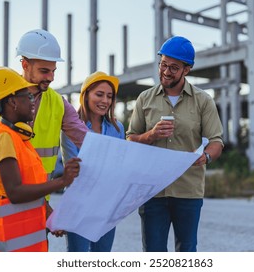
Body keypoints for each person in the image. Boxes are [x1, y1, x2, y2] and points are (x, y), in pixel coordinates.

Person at [0, 29, 88, 221]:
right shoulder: (0, 100)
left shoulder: (58, 103)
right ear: (25, 65)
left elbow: (87, 140)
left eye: (53, 71)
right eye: (44, 71)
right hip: (1, 202)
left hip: (39, 200)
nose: (51, 78)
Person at [126, 36, 224, 252]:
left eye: (173, 67)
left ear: (186, 70)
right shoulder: (144, 99)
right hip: (152, 190)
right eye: (163, 64)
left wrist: (206, 156)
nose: (166, 71)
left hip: (188, 191)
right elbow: (130, 139)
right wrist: (150, 135)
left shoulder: (203, 101)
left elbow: (216, 141)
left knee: (186, 252)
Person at [0, 66, 81, 251]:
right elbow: (16, 193)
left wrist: (47, 215)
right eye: (28, 96)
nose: (33, 101)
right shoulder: (5, 139)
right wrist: (62, 181)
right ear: (12, 102)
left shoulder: (18, 139)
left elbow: (31, 186)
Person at [60, 71, 125, 252]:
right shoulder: (70, 128)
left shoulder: (117, 128)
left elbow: (120, 166)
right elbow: (76, 169)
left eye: (109, 96)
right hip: (79, 205)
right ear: (85, 95)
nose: (105, 100)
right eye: (99, 94)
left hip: (107, 206)